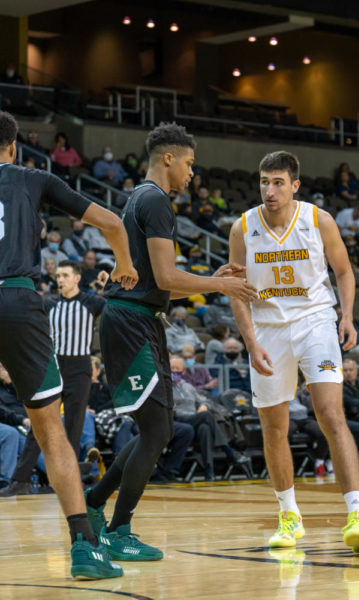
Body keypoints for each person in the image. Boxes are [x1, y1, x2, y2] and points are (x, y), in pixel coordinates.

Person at [84, 122, 257, 565]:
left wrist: (212, 279)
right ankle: (118, 529)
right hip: (131, 322)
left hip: (137, 318)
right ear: (169, 158)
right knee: (158, 431)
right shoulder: (156, 200)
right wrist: (221, 289)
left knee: (153, 430)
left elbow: (161, 286)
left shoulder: (141, 198)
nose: (191, 174)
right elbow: (165, 279)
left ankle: (94, 503)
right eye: (189, 163)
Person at [0, 110, 138, 578]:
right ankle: (83, 546)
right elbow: (114, 224)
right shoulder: (31, 179)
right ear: (14, 147)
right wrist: (124, 265)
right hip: (18, 299)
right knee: (50, 428)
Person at [228, 150, 359, 552]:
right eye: (264, 182)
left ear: (295, 185)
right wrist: (250, 341)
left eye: (278, 182)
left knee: (330, 413)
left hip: (314, 322)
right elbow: (236, 292)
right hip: (268, 330)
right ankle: (289, 516)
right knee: (275, 428)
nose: (269, 190)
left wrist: (346, 317)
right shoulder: (242, 228)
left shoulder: (318, 220)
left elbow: (344, 271)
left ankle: (356, 514)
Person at [1, 260, 106, 497]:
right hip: (52, 364)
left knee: (73, 427)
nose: (60, 279)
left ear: (77, 278)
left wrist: (105, 286)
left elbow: (114, 309)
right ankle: (20, 480)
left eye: (65, 275)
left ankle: (66, 481)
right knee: (40, 424)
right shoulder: (49, 303)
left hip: (80, 368)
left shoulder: (92, 302)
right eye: (58, 275)